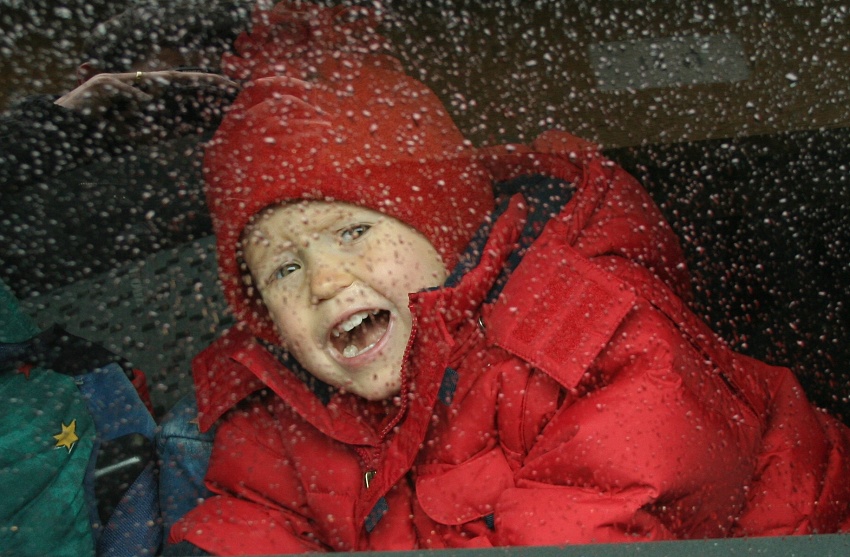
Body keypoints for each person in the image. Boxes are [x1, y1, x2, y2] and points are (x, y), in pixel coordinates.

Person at [165, 2, 850, 554]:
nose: (322, 280)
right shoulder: (284, 413)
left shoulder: (589, 333)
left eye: (353, 233)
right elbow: (250, 523)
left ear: (446, 227)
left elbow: (600, 520)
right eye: (284, 268)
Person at [0, 0, 248, 299]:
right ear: (93, 79)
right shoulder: (51, 146)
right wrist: (64, 117)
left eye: (205, 85)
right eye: (167, 83)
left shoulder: (233, 146)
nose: (188, 106)